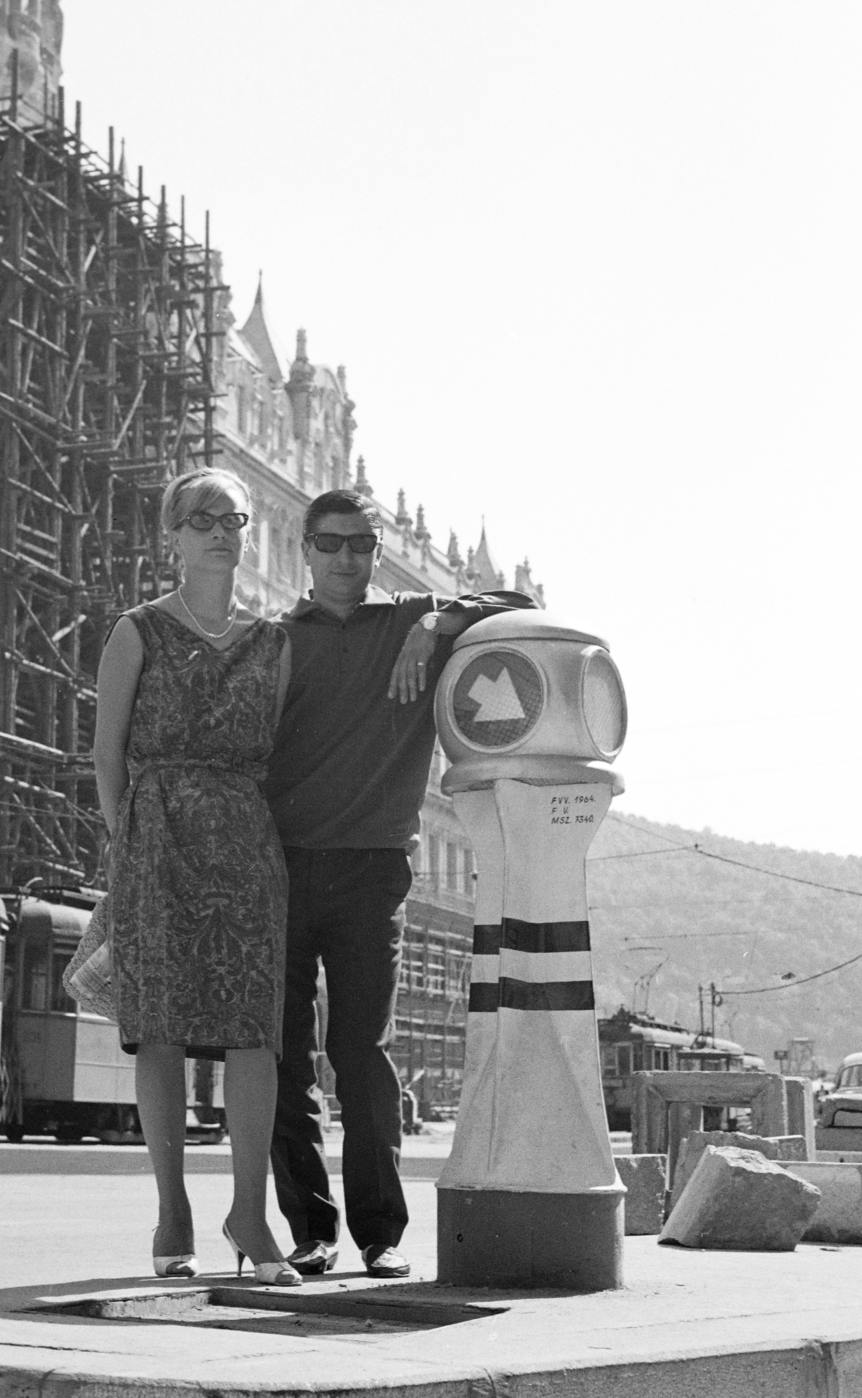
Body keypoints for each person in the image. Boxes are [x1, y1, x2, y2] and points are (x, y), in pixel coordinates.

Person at [265, 488, 536, 1278]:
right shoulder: (277, 639)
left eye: (361, 544)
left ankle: (380, 1233)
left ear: (376, 553)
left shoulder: (406, 618)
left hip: (372, 867)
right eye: (331, 543)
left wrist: (431, 622)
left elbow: (517, 604)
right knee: (284, 1055)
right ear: (306, 550)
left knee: (364, 1053)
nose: (346, 557)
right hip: (281, 863)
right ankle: (310, 1230)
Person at [92, 466, 300, 1285]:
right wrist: (130, 843)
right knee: (163, 1025)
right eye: (202, 517)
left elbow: (276, 754)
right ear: (173, 535)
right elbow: (108, 756)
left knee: (255, 1029)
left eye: (235, 518)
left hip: (247, 848)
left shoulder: (273, 643)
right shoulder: (136, 630)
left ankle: (250, 1211)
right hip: (157, 841)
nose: (221, 530)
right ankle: (172, 1205)